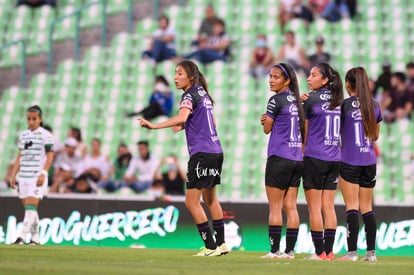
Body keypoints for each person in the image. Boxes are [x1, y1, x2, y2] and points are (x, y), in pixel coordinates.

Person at [138, 60, 228, 256]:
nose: (175, 77)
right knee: (211, 200)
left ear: (191, 77)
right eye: (175, 73)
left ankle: (210, 246)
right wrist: (187, 125)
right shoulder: (203, 93)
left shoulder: (188, 95)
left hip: (202, 154)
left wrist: (154, 126)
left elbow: (181, 117)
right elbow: (211, 120)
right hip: (216, 151)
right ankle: (221, 244)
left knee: (191, 202)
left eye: (179, 73)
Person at [259, 63, 305, 259]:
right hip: (297, 158)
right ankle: (290, 251)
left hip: (279, 157)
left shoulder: (275, 100)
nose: (271, 80)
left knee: (275, 207)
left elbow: (266, 129)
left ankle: (274, 251)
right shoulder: (298, 100)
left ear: (287, 81)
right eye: (270, 76)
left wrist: (266, 120)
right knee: (291, 206)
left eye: (276, 77)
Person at [337, 67, 382, 262]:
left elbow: (336, 131)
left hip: (350, 160)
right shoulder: (374, 105)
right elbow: (376, 136)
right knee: (367, 207)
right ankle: (371, 254)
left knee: (352, 206)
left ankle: (352, 253)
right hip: (369, 161)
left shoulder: (344, 105)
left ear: (348, 84)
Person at [302, 63, 344, 260]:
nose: (309, 78)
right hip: (335, 158)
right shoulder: (338, 100)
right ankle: (329, 252)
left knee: (314, 208)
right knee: (329, 207)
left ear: (325, 79)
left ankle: (319, 252)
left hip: (315, 156)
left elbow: (305, 131)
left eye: (313, 75)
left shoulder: (311, 99)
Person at [10, 105, 54, 245]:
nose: (31, 122)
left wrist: (44, 173)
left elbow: (50, 156)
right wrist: (13, 175)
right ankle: (35, 238)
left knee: (30, 206)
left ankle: (21, 237)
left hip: (36, 175)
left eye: (34, 119)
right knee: (30, 209)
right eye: (29, 119)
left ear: (40, 119)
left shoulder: (46, 135)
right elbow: (19, 157)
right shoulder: (23, 135)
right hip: (23, 176)